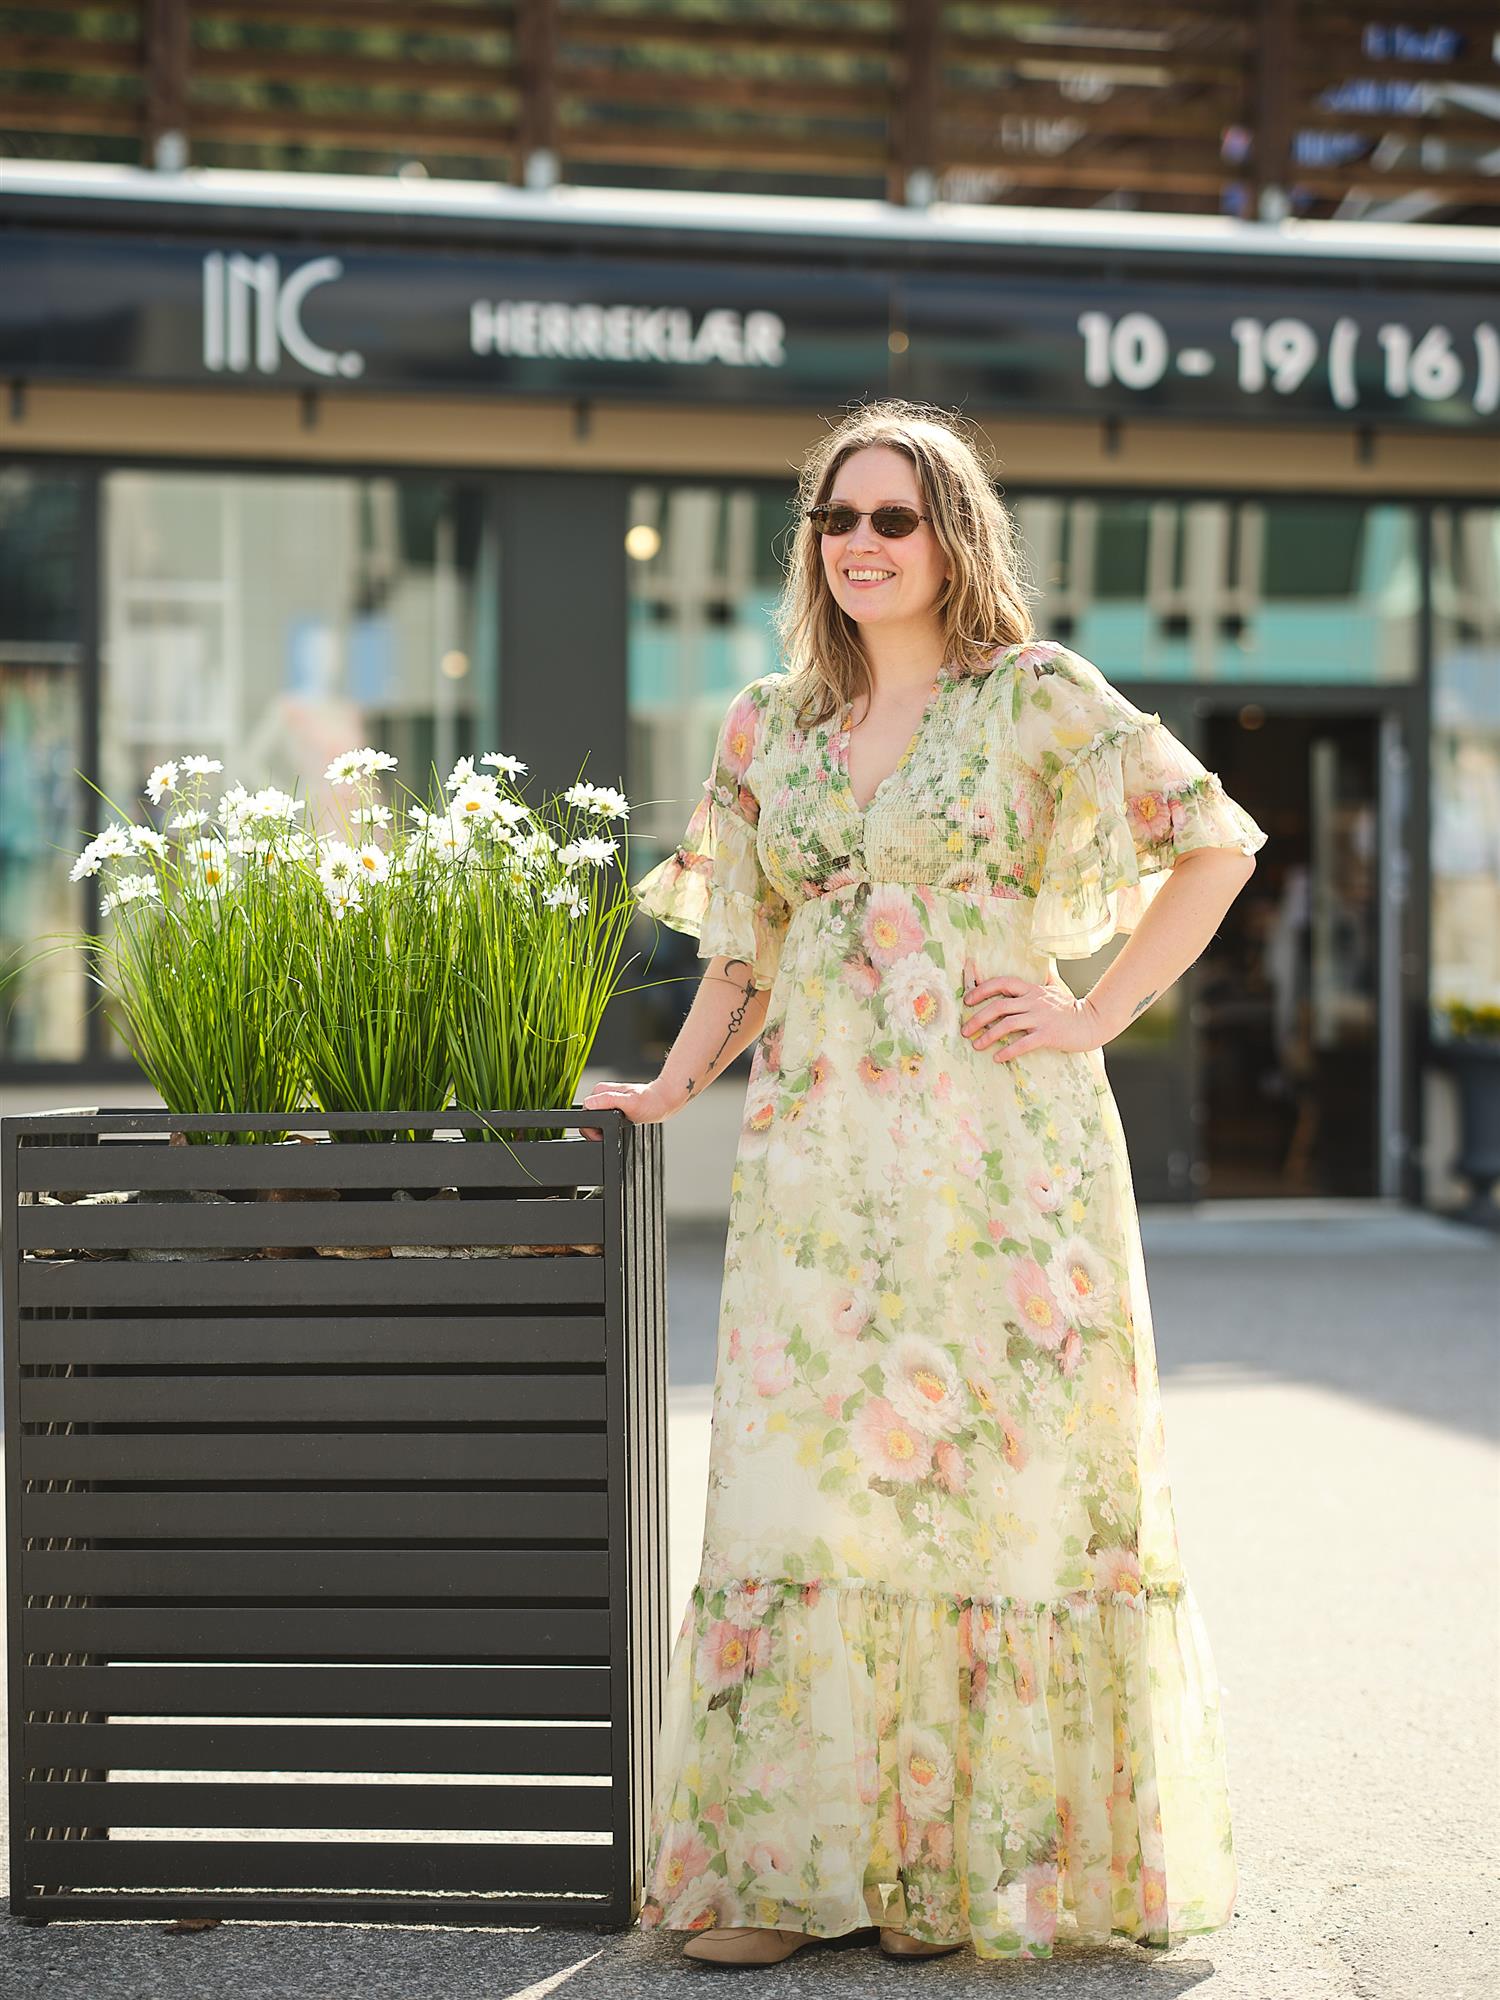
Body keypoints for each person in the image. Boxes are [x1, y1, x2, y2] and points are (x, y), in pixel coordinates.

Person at [580, 400, 1267, 1967]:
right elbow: (744, 944)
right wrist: (675, 1086)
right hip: (820, 1168)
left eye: (896, 517)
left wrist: (1095, 1008)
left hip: (1005, 1169)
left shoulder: (1032, 699)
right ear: (811, 545)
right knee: (807, 1489)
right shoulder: (767, 724)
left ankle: (956, 1878)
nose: (865, 545)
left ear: (955, 536)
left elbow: (1212, 843)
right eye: (839, 519)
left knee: (991, 1503)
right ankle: (773, 1873)